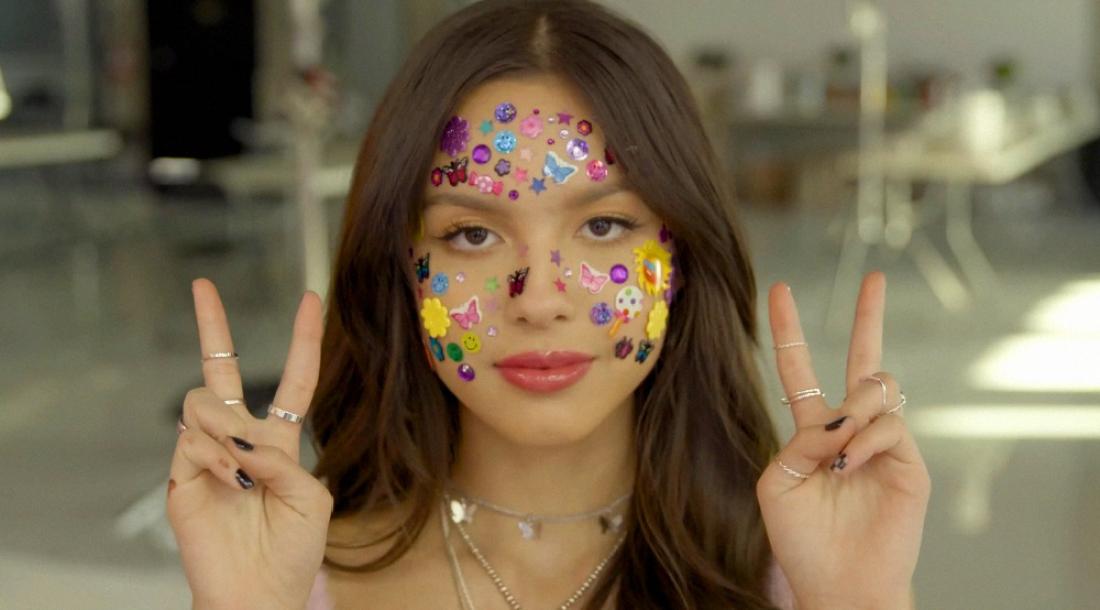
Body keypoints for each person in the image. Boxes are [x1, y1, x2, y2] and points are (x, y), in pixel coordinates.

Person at [167, 1, 931, 608]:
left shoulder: (801, 575)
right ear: (403, 268)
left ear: (680, 259)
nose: (537, 300)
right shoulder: (297, 583)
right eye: (472, 235)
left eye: (603, 227)